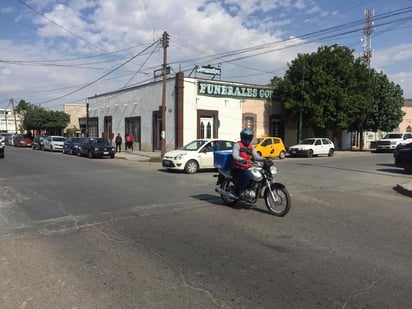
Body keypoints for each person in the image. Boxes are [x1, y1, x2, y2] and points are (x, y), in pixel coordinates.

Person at [232, 128, 263, 199]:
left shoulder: (251, 146)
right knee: (248, 176)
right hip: (237, 168)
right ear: (242, 136)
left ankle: (255, 190)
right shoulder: (237, 145)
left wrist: (264, 159)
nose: (247, 138)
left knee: (261, 174)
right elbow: (235, 155)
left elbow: (256, 156)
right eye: (246, 137)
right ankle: (241, 191)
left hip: (248, 167)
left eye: (249, 137)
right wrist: (242, 160)